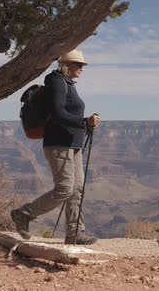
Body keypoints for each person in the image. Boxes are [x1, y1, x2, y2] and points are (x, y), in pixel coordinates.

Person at [11, 49, 100, 245]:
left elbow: (67, 114)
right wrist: (84, 121)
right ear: (67, 65)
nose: (82, 69)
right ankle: (24, 213)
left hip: (72, 144)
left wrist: (84, 125)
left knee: (76, 190)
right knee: (65, 189)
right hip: (59, 145)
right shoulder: (57, 82)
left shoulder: (68, 83)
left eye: (82, 65)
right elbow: (58, 113)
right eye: (79, 65)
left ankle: (75, 232)